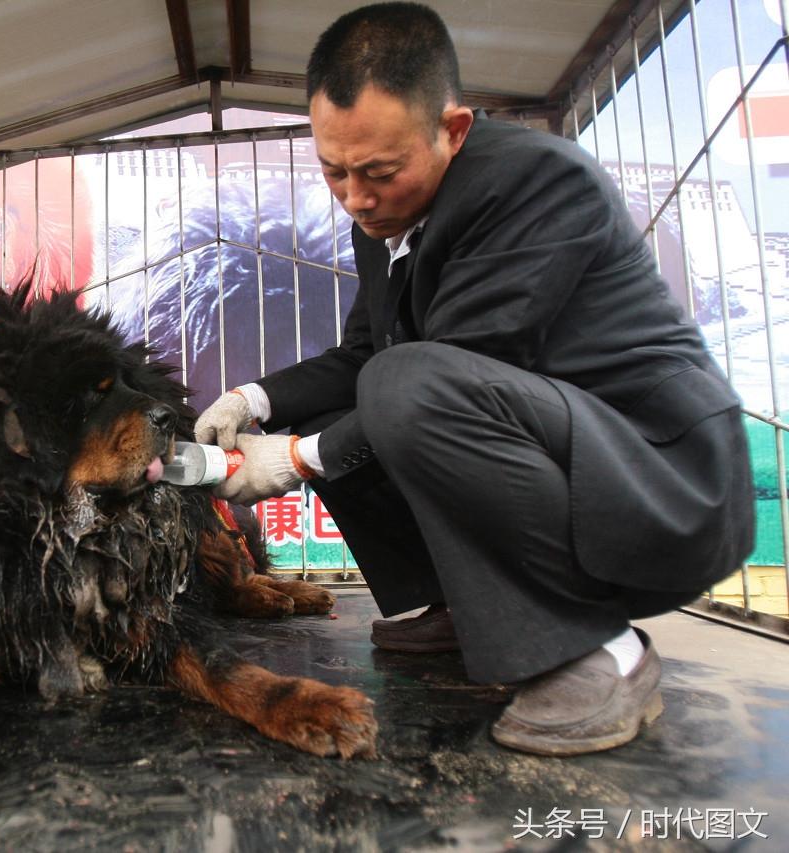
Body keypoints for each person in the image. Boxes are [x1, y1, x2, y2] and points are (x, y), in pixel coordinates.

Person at [194, 2, 754, 756]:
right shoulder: (389, 220)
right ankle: (465, 602)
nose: (356, 197)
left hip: (660, 480)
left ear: (452, 130)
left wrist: (291, 459)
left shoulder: (534, 183)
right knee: (357, 395)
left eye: (379, 172)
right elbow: (361, 357)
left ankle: (598, 651)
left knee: (399, 389)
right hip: (563, 452)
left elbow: (461, 361)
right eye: (334, 171)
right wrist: (250, 400)